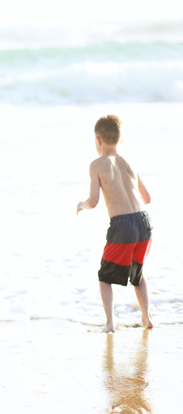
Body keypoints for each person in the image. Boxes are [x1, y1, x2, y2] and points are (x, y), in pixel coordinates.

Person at [77, 115, 153, 333]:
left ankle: (110, 323)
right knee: (137, 273)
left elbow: (93, 202)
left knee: (105, 277)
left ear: (98, 140)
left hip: (122, 225)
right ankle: (146, 318)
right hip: (144, 222)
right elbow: (147, 198)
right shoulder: (130, 162)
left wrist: (81, 205)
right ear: (121, 140)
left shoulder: (97, 165)